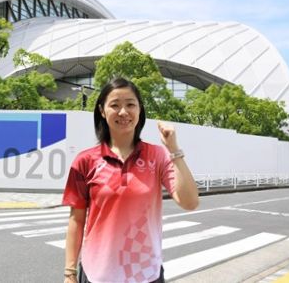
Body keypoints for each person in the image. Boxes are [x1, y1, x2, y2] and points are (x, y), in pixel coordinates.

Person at [62, 77, 199, 283]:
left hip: (146, 275)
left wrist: (174, 149)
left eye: (130, 105)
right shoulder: (85, 160)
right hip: (97, 275)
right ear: (102, 110)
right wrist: (69, 272)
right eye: (115, 105)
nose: (123, 112)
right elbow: (77, 219)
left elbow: (190, 202)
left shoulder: (157, 156)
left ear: (140, 109)